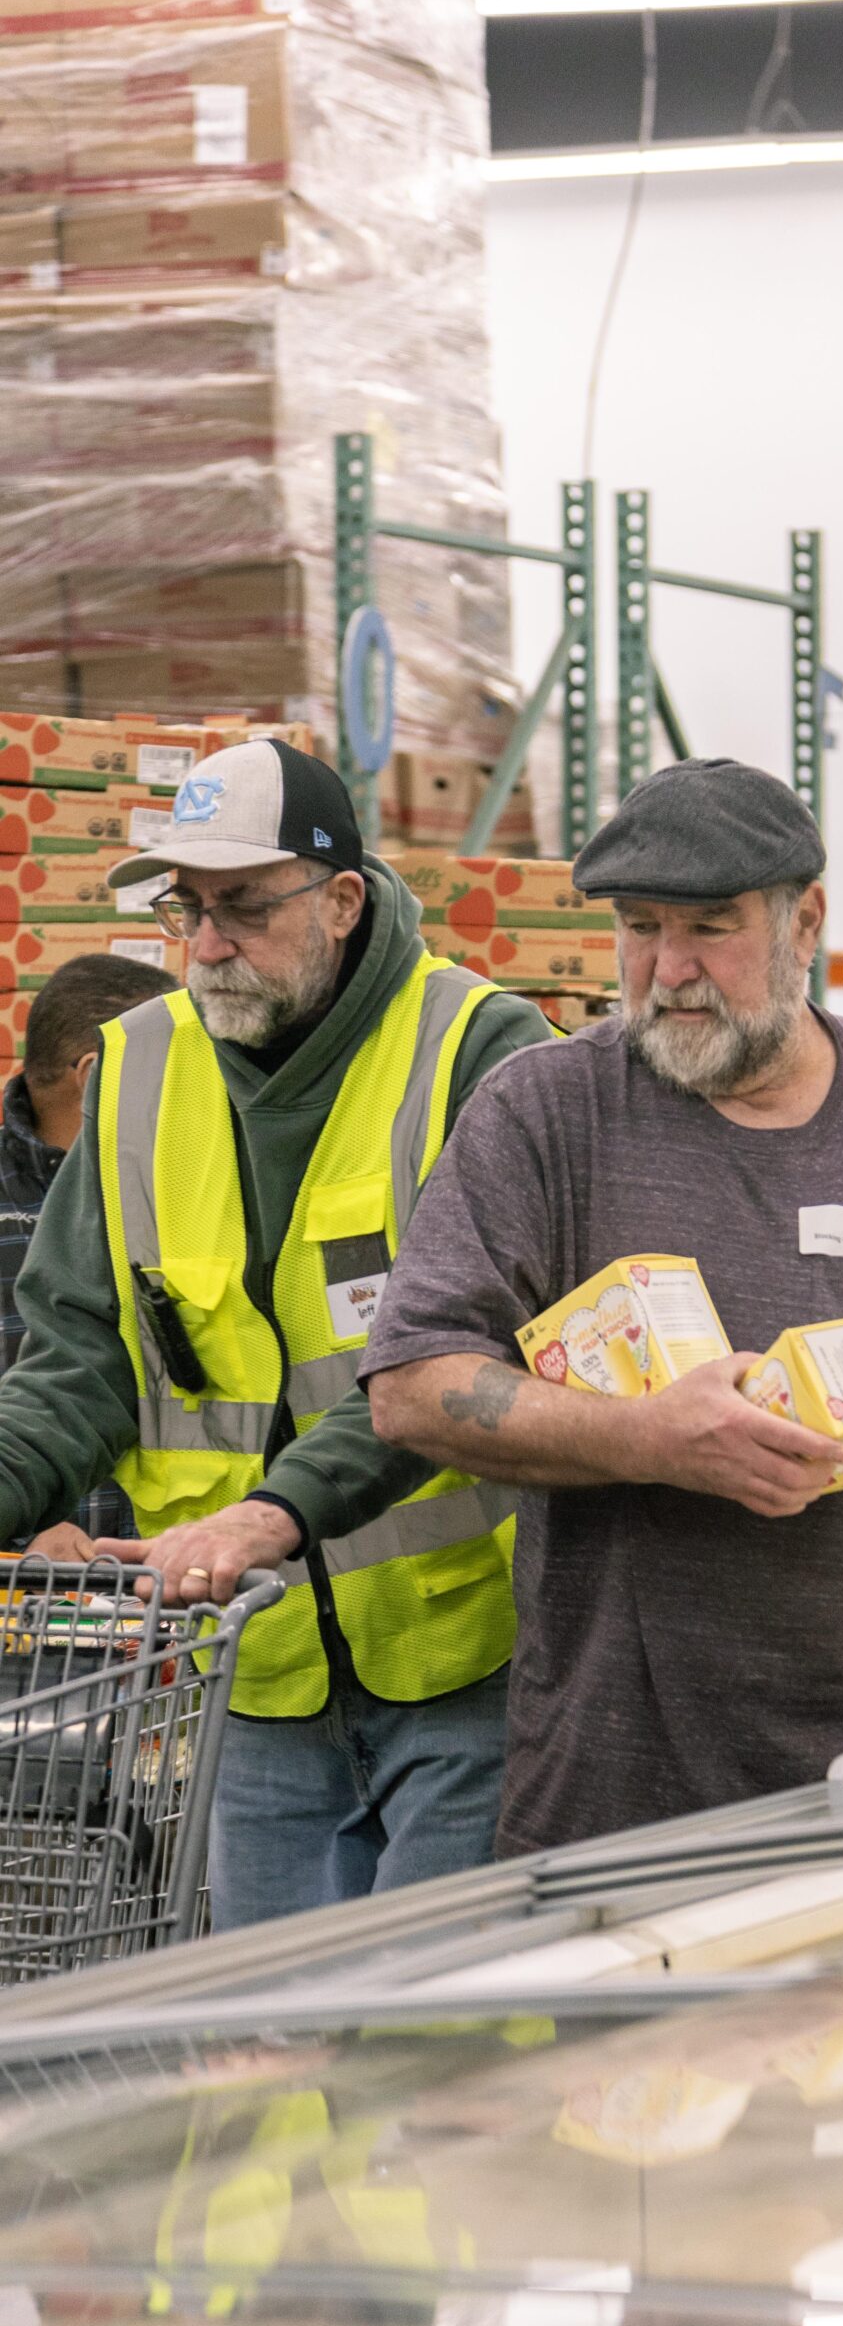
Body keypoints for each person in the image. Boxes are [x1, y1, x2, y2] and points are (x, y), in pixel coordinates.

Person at [362, 755, 843, 1852]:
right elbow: (412, 1384)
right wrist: (643, 1438)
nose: (669, 968)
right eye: (641, 928)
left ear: (807, 922)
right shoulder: (547, 1116)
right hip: (615, 1807)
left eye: (710, 928)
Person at [0, 736, 553, 1927]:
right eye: (185, 911)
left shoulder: (481, 1054)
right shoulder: (138, 1071)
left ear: (343, 900)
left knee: (432, 2049)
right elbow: (80, 1358)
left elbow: (480, 1353)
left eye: (244, 908)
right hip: (258, 1672)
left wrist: (273, 1512)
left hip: (473, 1656)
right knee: (277, 2070)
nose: (205, 947)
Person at [0, 953, 178, 1555]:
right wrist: (22, 1527)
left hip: (173, 1597)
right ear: (97, 1074)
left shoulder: (183, 1194)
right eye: (180, 1070)